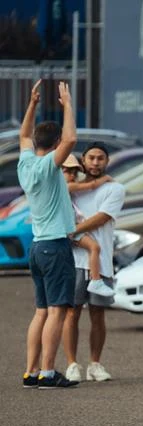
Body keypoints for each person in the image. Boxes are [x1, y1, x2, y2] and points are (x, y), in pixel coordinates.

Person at [18, 80, 79, 389]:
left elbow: (24, 134)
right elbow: (71, 138)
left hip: (38, 246)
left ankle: (31, 372)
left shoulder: (26, 163)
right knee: (57, 310)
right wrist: (67, 104)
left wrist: (32, 104)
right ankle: (48, 372)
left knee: (41, 311)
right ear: (54, 144)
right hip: (54, 246)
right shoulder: (46, 166)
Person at [63, 142, 126, 382]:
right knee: (71, 313)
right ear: (83, 160)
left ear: (107, 161)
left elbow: (101, 218)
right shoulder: (71, 187)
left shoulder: (115, 189)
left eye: (101, 158)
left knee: (98, 314)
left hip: (101, 262)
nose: (96, 162)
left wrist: (72, 230)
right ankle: (71, 365)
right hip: (74, 260)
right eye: (91, 158)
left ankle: (95, 364)